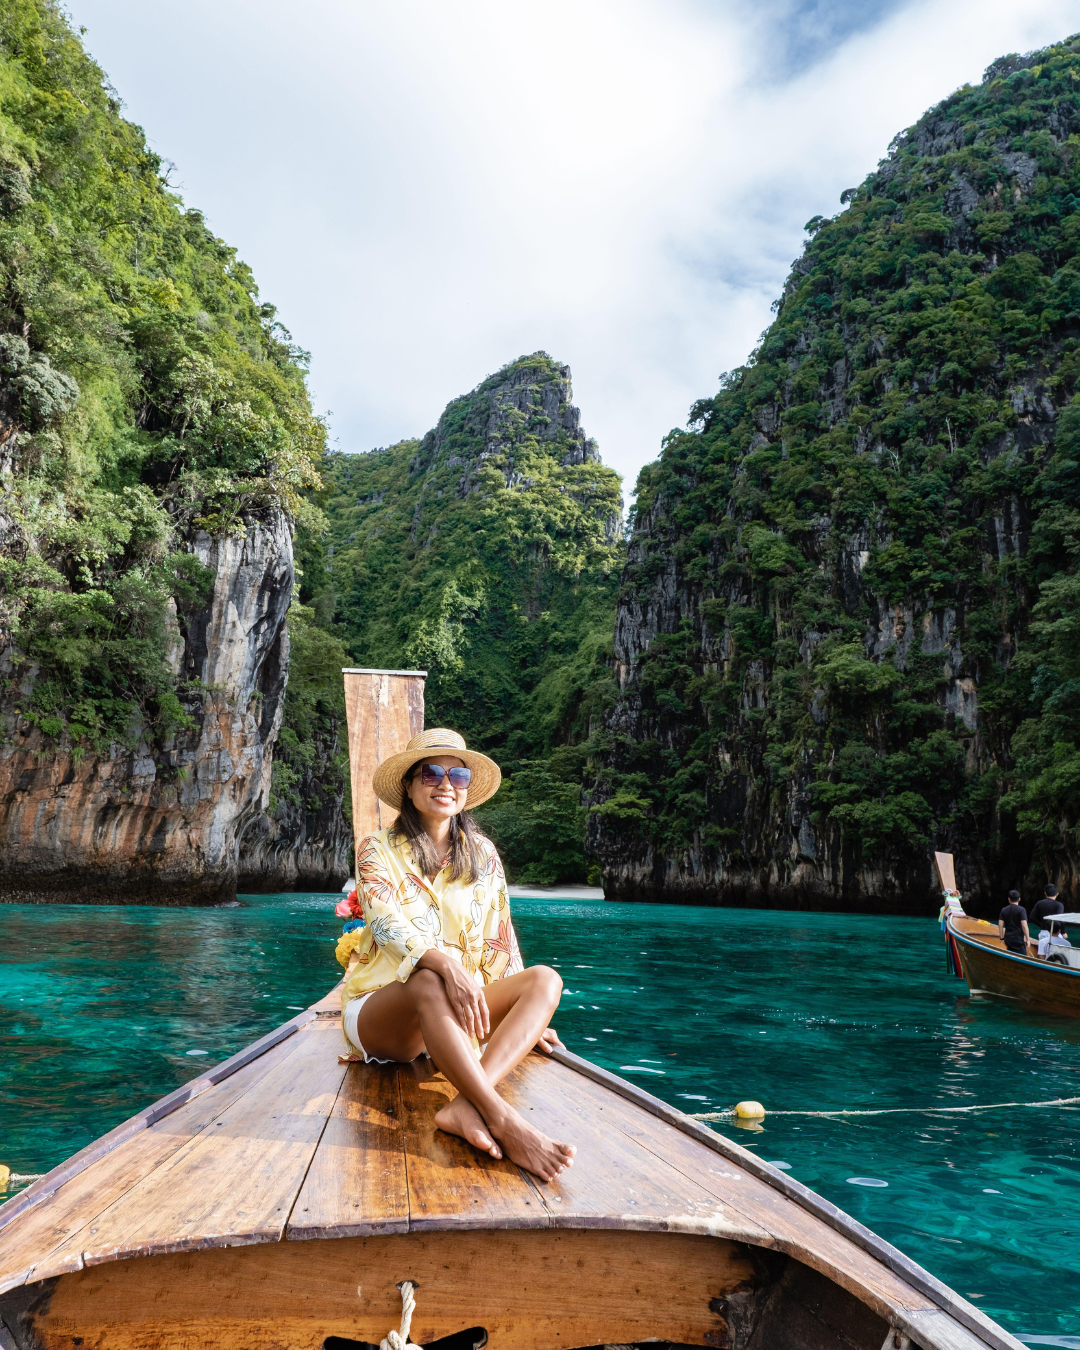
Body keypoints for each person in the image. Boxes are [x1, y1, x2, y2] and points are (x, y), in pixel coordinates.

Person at [337, 727, 576, 1182]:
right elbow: (387, 927)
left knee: (545, 981)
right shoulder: (377, 849)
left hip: (457, 1012)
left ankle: (465, 1105)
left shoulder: (483, 854)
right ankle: (503, 1120)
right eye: (431, 773)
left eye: (458, 775)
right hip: (385, 1012)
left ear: (466, 789)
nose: (445, 784)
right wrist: (444, 963)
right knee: (428, 978)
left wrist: (527, 1016)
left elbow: (499, 942)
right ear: (408, 785)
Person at [998, 889, 1029, 956]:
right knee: (1023, 957)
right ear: (1019, 899)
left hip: (1008, 938)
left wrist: (1001, 937)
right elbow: (1024, 926)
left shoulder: (1004, 910)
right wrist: (1028, 939)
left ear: (1009, 899)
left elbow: (1000, 925)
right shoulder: (1022, 910)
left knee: (1010, 953)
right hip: (1018, 939)